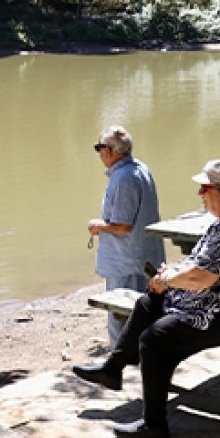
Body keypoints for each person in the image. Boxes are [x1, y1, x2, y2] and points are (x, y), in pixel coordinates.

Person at [74, 159, 220, 438]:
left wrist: (168, 280)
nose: (200, 194)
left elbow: (200, 278)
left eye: (205, 188)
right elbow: (200, 266)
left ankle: (154, 426)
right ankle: (113, 369)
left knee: (155, 339)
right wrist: (170, 275)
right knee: (148, 304)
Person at [75, 126, 165, 359]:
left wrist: (99, 226)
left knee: (120, 311)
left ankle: (119, 361)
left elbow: (123, 225)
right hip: (145, 254)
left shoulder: (123, 178)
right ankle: (142, 356)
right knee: (145, 311)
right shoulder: (141, 169)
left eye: (99, 148)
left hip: (126, 259)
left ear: (111, 151)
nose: (98, 153)